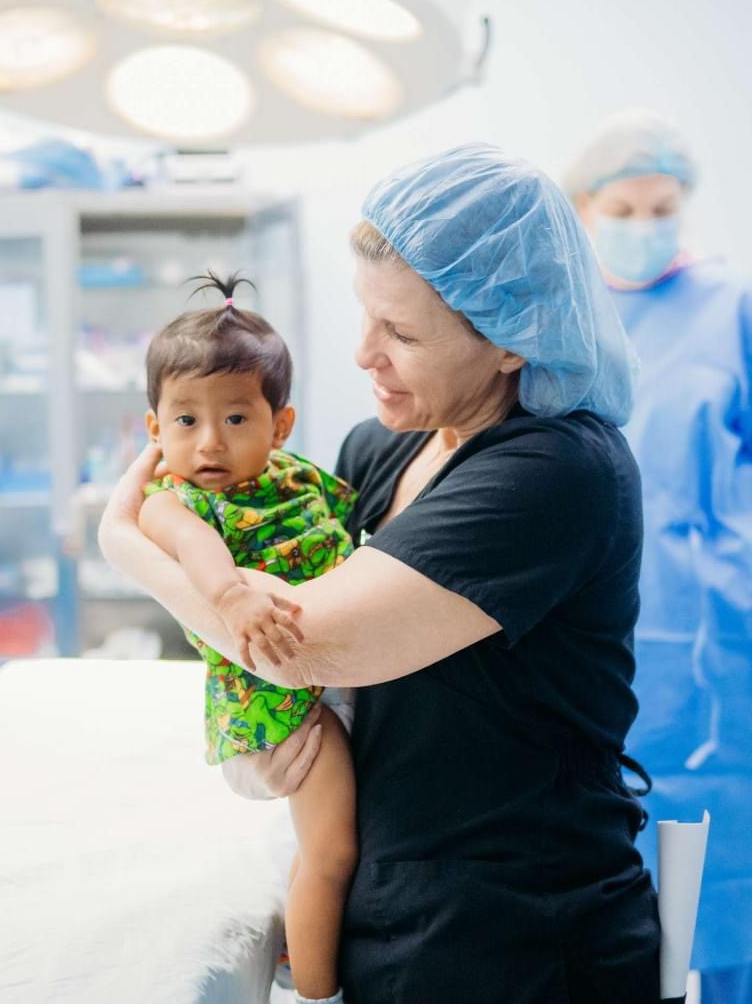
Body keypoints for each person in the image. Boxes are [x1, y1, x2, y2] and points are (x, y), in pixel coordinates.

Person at [100, 143, 666, 1003]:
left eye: (401, 333)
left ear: (510, 343)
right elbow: (274, 612)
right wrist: (265, 743)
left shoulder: (555, 471)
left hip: (519, 932)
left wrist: (133, 546)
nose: (365, 354)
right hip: (392, 897)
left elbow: (299, 640)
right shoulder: (383, 444)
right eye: (366, 315)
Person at [567, 110, 752, 1004]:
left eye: (662, 207)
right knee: (607, 878)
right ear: (584, 205)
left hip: (716, 636)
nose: (645, 226)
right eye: (625, 208)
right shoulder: (565, 319)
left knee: (728, 877)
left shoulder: (731, 307)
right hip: (594, 623)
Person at [138, 271, 358, 1004]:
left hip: (328, 680)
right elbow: (197, 551)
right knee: (333, 852)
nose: (209, 443)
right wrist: (234, 597)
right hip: (272, 698)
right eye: (185, 421)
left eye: (235, 419)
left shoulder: (298, 479)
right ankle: (318, 997)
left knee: (315, 851)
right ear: (154, 430)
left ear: (280, 425)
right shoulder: (175, 503)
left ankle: (303, 956)